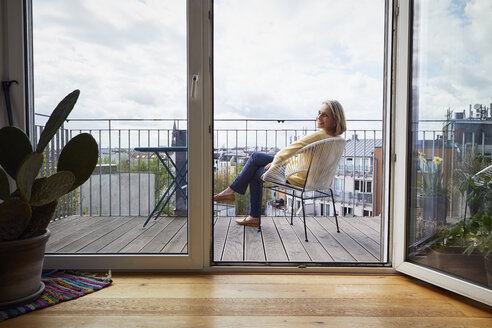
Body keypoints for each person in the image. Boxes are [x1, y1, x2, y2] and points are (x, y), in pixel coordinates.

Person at [214, 100, 347, 227]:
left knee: (254, 167)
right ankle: (232, 194)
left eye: (325, 115)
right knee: (255, 157)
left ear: (335, 119)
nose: (319, 117)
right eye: (319, 113)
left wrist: (275, 164)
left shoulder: (319, 136)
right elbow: (299, 153)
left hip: (296, 177)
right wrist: (277, 162)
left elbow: (291, 149)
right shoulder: (338, 140)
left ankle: (246, 208)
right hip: (316, 179)